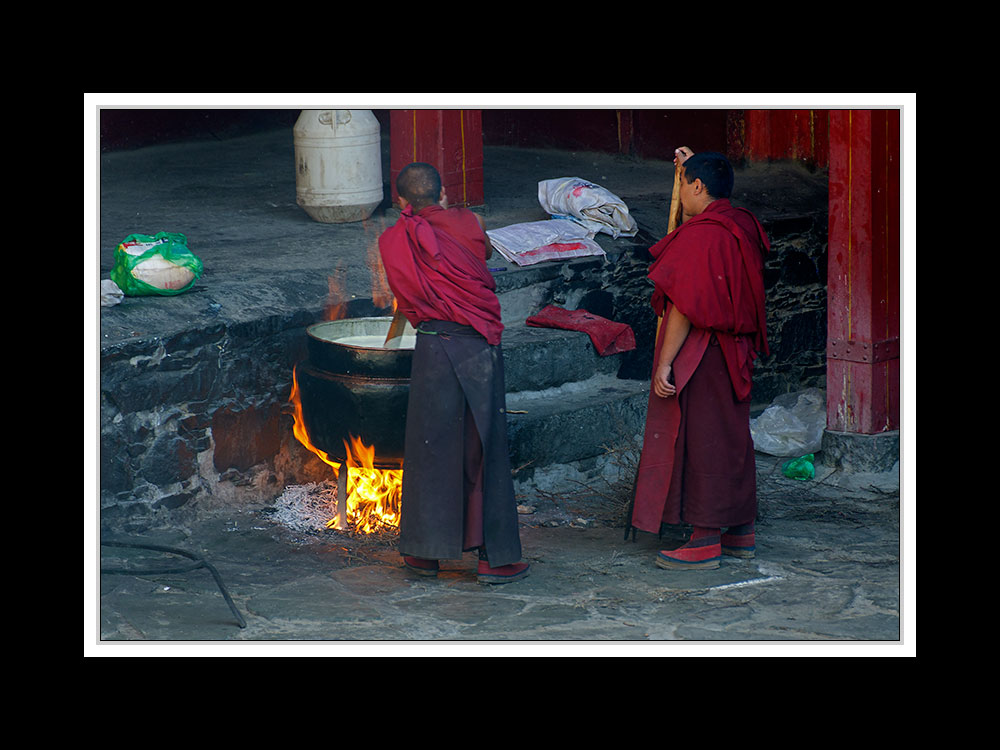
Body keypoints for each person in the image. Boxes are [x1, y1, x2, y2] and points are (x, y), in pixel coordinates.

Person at [377, 162, 530, 584]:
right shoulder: (469, 221)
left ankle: (424, 555)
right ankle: (493, 559)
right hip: (476, 345)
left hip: (431, 347)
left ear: (401, 202)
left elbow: (408, 293)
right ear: (443, 193)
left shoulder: (393, 239)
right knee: (483, 445)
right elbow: (477, 255)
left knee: (431, 448)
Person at [627, 148, 770, 570]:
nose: (682, 194)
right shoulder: (741, 223)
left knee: (701, 440)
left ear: (697, 186)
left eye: (685, 184)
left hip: (703, 352)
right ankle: (741, 532)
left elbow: (685, 306)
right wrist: (688, 163)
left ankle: (704, 537)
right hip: (738, 350)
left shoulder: (702, 236)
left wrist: (665, 363)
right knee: (732, 439)